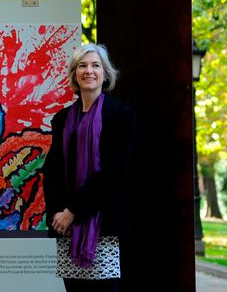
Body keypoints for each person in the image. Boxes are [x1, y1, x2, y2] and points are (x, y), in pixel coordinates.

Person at [43, 43, 136, 292]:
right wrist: (57, 213)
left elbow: (113, 175)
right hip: (66, 228)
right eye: (82, 66)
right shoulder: (61, 119)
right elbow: (51, 171)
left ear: (105, 73)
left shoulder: (121, 116)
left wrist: (73, 210)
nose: (89, 71)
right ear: (74, 74)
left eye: (95, 65)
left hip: (104, 227)